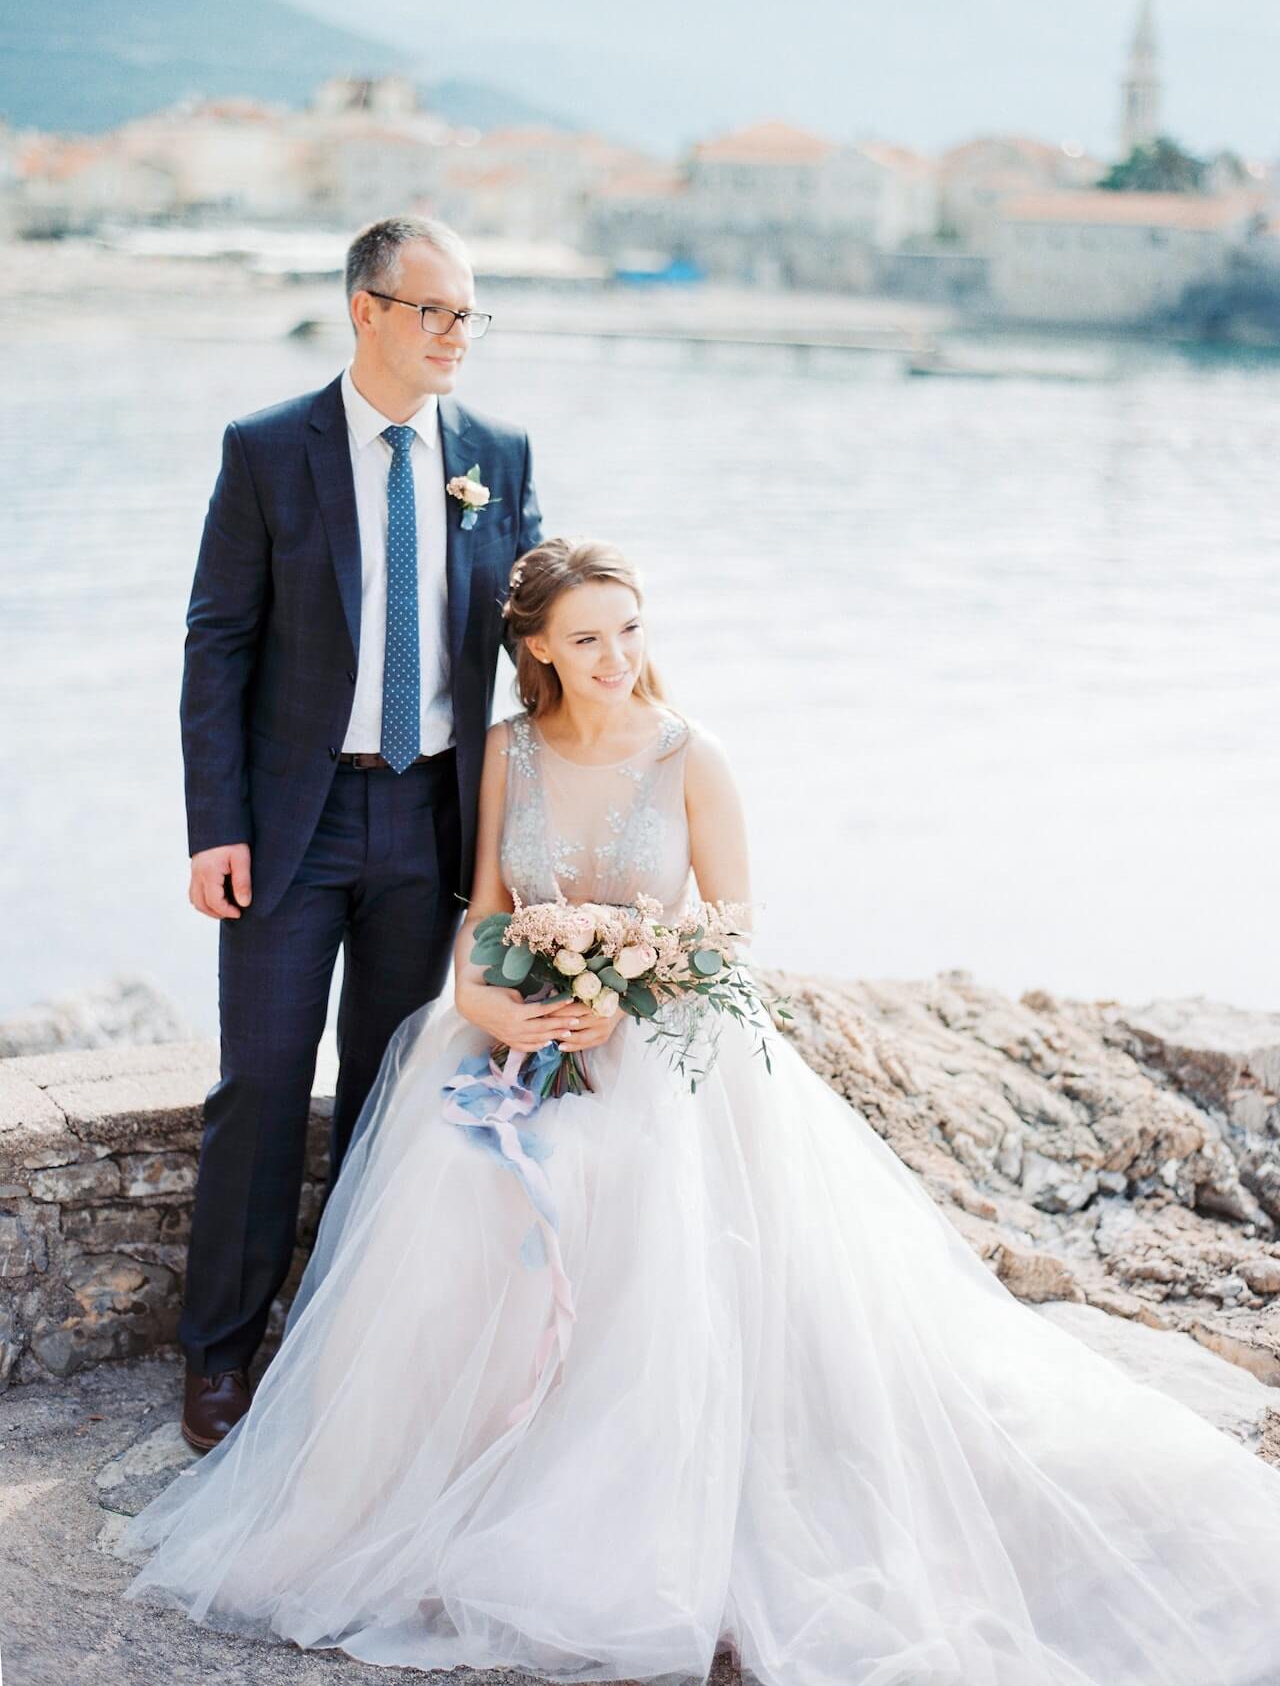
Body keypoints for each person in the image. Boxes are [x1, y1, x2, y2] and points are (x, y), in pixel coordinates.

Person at [121, 539, 1280, 1686]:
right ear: (534, 649)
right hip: (515, 1034)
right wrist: (485, 997)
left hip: (670, 1045)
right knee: (462, 1200)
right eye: (587, 638)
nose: (617, 655)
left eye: (630, 629)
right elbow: (485, 907)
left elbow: (730, 927)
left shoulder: (691, 756)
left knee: (643, 1215)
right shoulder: (503, 752)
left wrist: (625, 995)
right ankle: (446, 1473)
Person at [176, 215, 542, 1452]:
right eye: (432, 311)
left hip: (433, 817)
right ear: (366, 310)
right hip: (292, 822)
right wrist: (214, 827)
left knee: (391, 1092)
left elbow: (537, 638)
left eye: (467, 314)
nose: (454, 336)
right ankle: (220, 1354)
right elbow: (217, 644)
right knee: (261, 1086)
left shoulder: (497, 452)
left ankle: (339, 1343)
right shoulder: (269, 450)